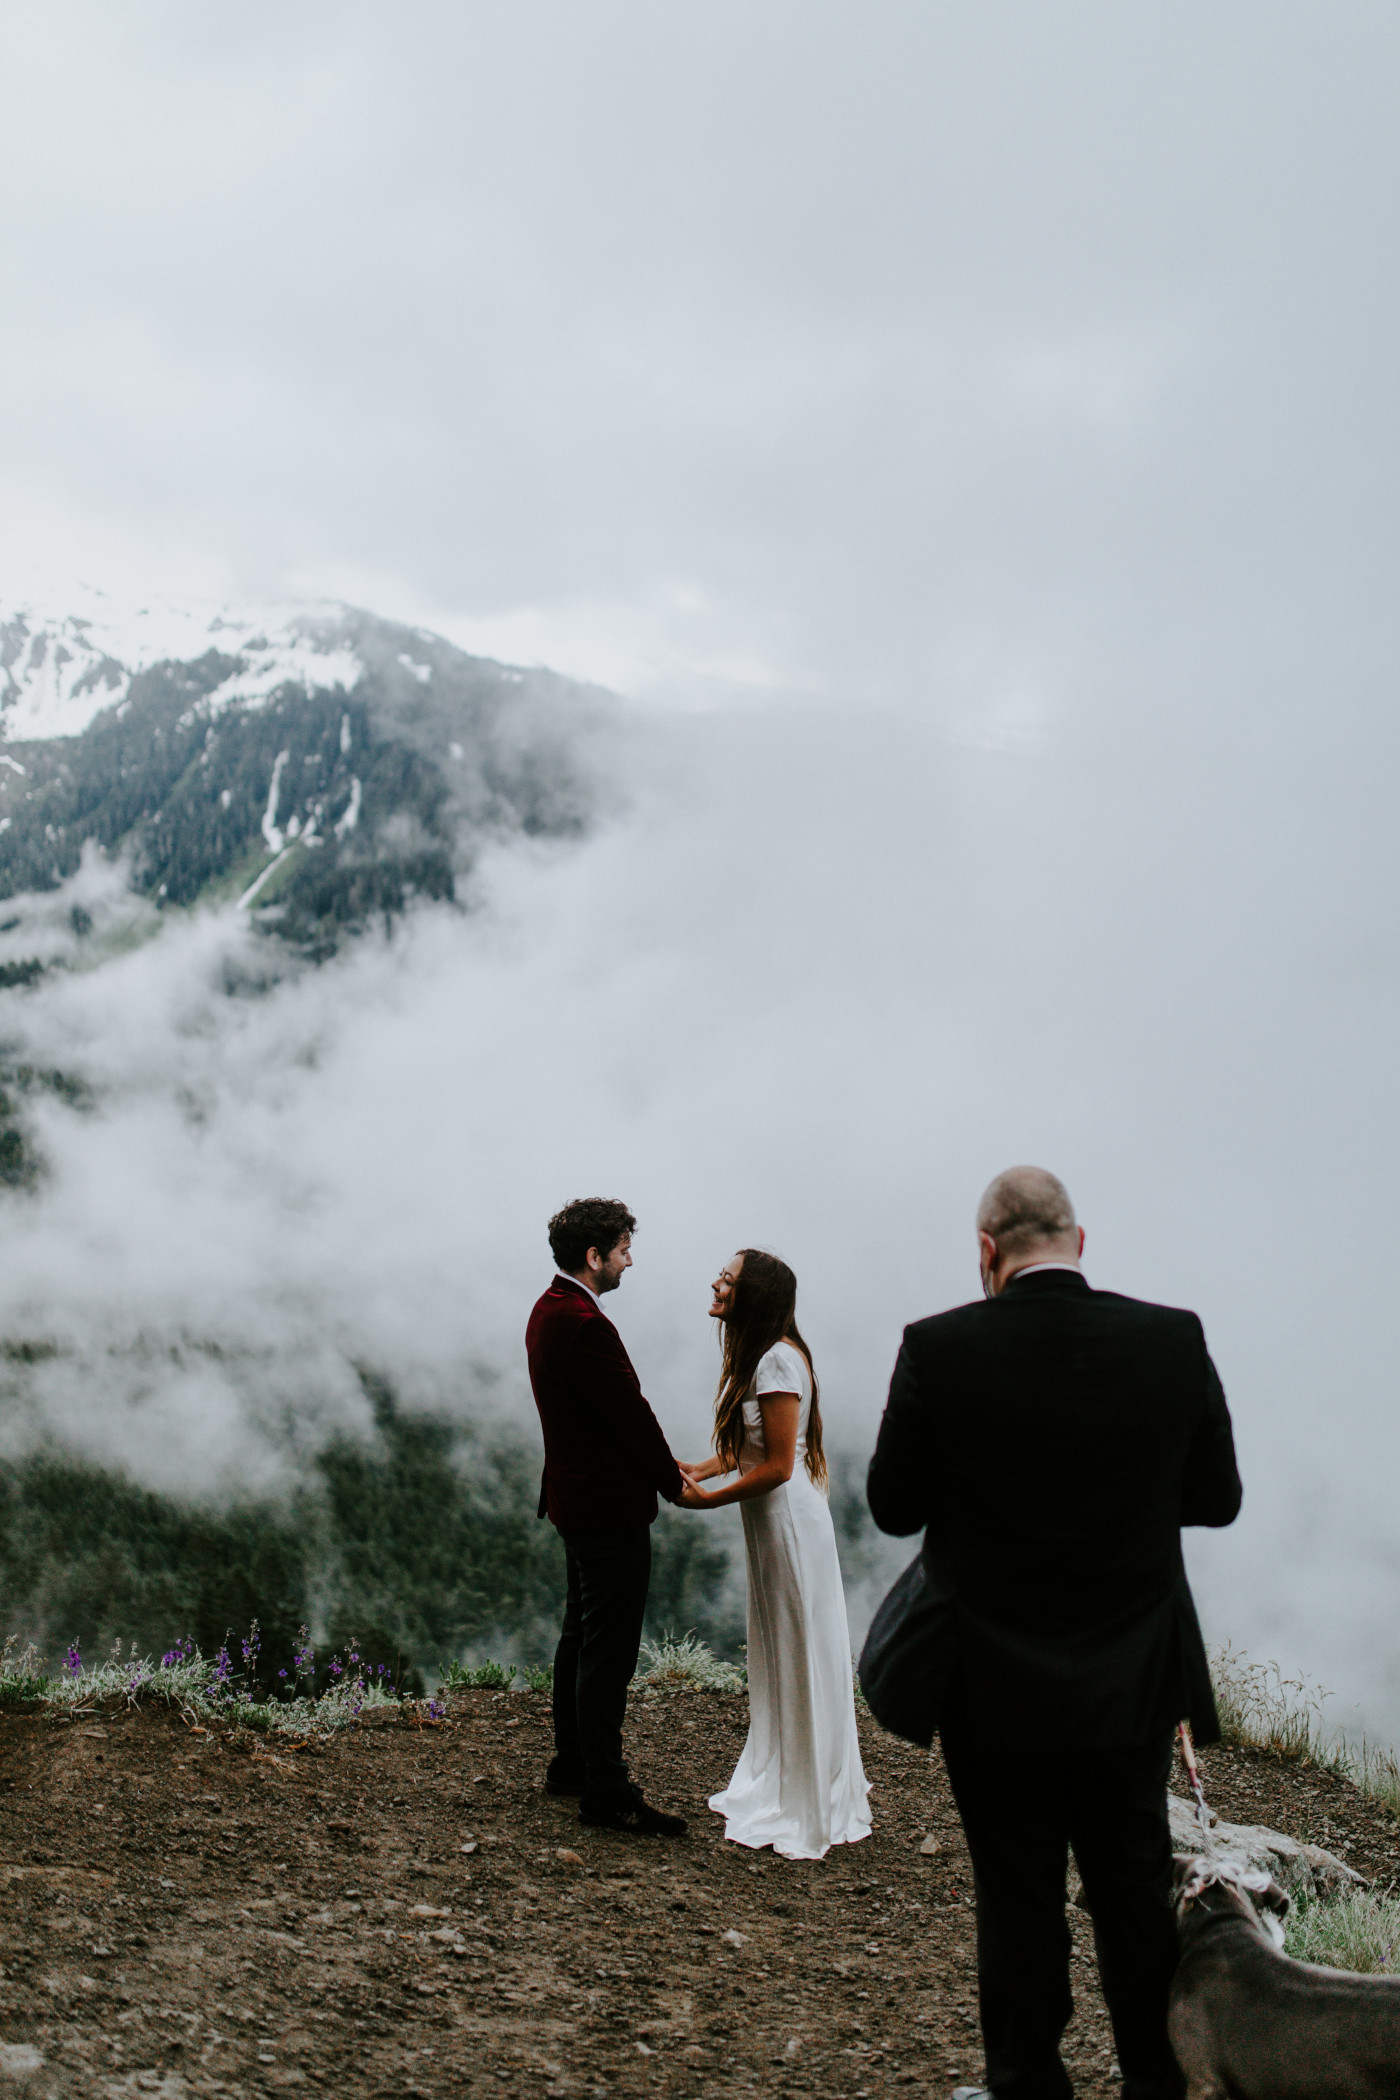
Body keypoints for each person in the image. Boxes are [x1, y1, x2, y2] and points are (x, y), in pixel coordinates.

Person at [867, 1167, 1241, 2100]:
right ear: (1080, 1241)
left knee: (1019, 1896)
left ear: (987, 1253)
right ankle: (1159, 2083)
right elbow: (1218, 1500)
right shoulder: (1172, 1338)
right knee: (1132, 1890)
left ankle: (1027, 2087)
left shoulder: (938, 1347)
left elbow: (891, 1506)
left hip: (991, 1683)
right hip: (1131, 1677)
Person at [679, 1248, 871, 1860]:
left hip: (788, 1523)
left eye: (729, 1279)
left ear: (752, 1295)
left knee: (797, 1647)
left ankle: (805, 1795)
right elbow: (747, 1453)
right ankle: (795, 1776)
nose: (716, 1281)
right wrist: (696, 1470)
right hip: (775, 1523)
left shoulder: (776, 1361)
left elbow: (780, 1468)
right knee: (782, 1646)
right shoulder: (769, 1358)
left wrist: (708, 1503)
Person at [526, 1197, 688, 1837]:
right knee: (609, 1651)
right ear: (594, 1257)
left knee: (580, 1636)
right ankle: (607, 1790)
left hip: (573, 1498)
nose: (629, 1260)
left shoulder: (547, 1309)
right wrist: (673, 1482)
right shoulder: (587, 1324)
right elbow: (629, 1413)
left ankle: (571, 1766)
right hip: (606, 1508)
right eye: (623, 1249)